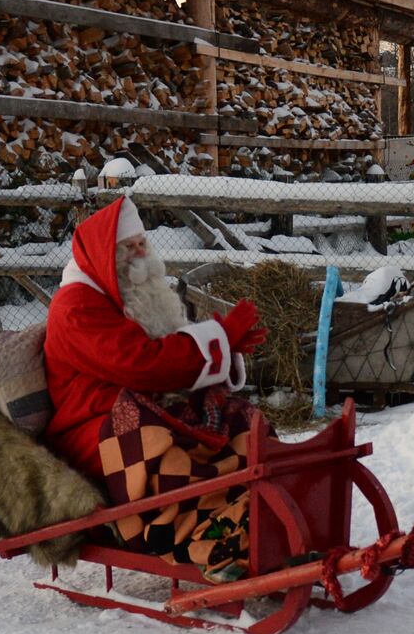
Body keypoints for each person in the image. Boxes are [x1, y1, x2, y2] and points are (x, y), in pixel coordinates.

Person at [43, 195, 265, 476]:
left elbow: (164, 348)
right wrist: (219, 337)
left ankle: (260, 492)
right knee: (163, 449)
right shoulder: (76, 305)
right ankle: (211, 513)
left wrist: (224, 345)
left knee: (243, 420)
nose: (139, 254)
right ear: (104, 256)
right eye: (128, 247)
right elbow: (140, 363)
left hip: (141, 407)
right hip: (91, 425)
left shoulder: (122, 294)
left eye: (142, 244)